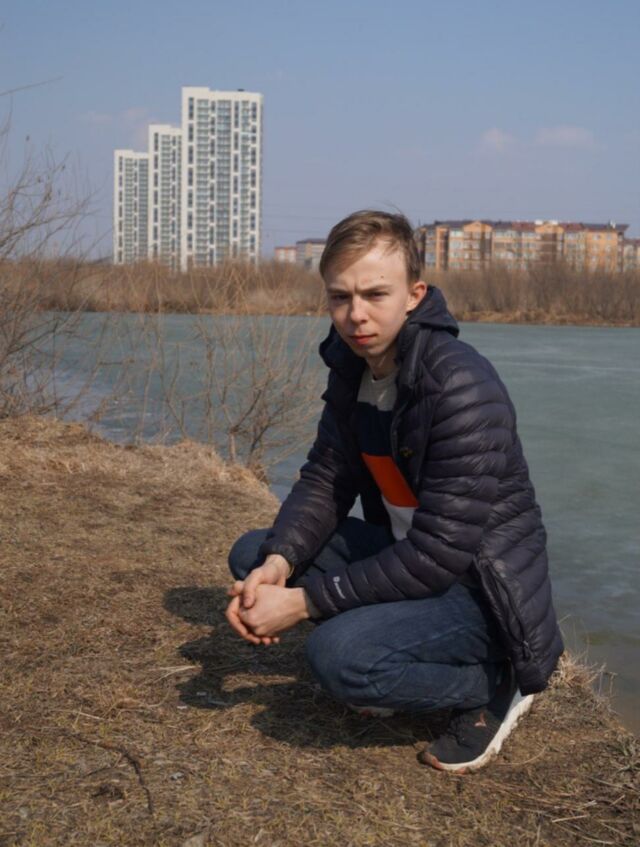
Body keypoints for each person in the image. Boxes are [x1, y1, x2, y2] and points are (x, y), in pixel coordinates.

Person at [225, 210, 563, 773]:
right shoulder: (353, 367)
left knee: (339, 659)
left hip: (479, 589)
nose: (355, 315)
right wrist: (280, 563)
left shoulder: (459, 386)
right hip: (407, 556)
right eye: (340, 297)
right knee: (254, 555)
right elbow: (327, 477)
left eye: (375, 294)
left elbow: (439, 554)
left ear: (414, 296)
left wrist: (305, 604)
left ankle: (494, 684)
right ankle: (383, 633)